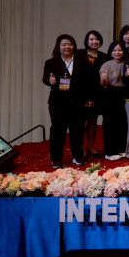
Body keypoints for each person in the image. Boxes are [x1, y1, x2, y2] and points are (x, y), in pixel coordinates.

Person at [43, 34, 86, 168]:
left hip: (77, 101)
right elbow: (45, 79)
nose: (67, 47)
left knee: (77, 130)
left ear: (74, 46)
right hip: (58, 102)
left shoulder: (81, 61)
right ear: (58, 46)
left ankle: (78, 155)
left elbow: (88, 80)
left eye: (70, 44)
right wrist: (50, 81)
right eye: (64, 45)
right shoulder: (51, 62)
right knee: (58, 131)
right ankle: (56, 158)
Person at [76, 30, 109, 158]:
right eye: (91, 39)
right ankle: (80, 147)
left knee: (93, 120)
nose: (94, 42)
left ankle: (91, 145)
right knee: (79, 121)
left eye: (97, 39)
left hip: (97, 93)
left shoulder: (104, 57)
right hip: (81, 94)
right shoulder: (79, 54)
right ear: (87, 41)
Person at [99, 41, 128, 161]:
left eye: (120, 50)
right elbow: (102, 83)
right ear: (110, 52)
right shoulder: (106, 65)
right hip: (109, 94)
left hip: (123, 94)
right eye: (114, 50)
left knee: (122, 122)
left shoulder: (127, 63)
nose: (117, 52)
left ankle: (121, 148)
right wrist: (104, 79)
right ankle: (110, 151)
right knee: (110, 123)